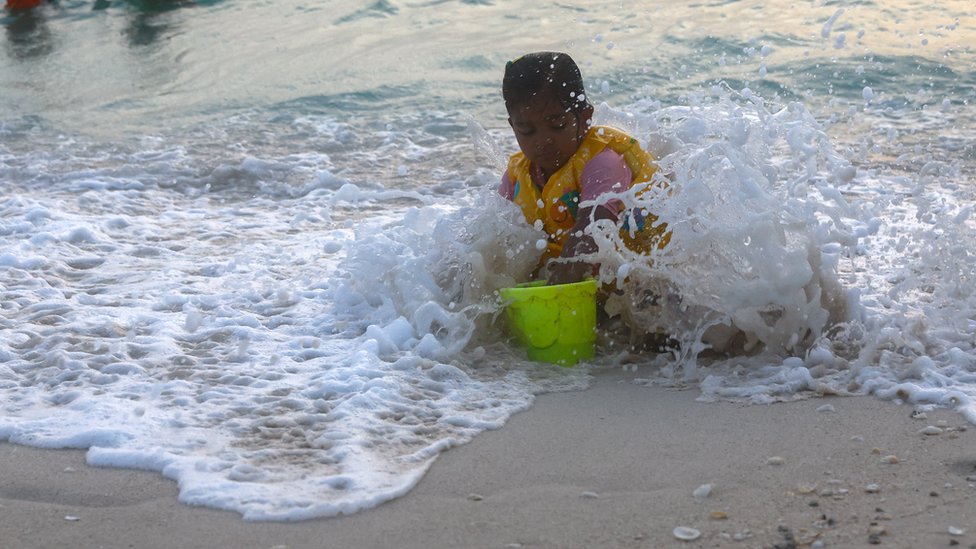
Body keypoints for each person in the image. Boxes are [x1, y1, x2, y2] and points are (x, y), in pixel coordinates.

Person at [499, 51, 669, 286]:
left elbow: (595, 226)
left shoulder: (602, 162)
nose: (543, 140)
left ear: (585, 118)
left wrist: (556, 289)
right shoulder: (517, 176)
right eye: (526, 130)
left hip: (638, 276)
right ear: (512, 126)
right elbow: (494, 241)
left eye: (557, 125)